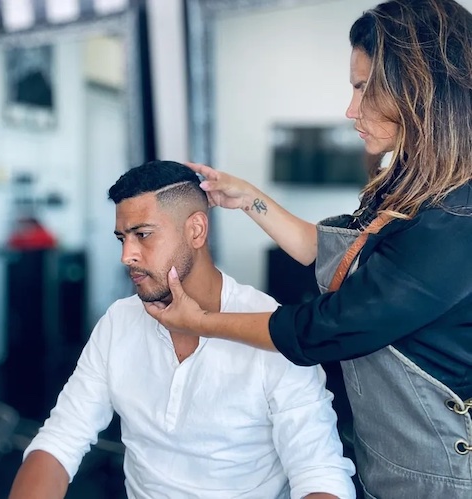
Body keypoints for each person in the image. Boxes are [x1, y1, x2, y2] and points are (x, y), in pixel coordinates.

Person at [143, 1, 472, 498]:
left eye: (363, 87)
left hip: (441, 475)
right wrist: (248, 197)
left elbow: (322, 328)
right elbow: (336, 255)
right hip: (384, 463)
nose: (350, 109)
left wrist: (201, 321)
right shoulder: (409, 187)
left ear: (417, 87)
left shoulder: (455, 221)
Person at [8, 161, 356, 499]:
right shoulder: (119, 321)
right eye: (122, 239)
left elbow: (321, 476)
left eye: (143, 235)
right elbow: (59, 440)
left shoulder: (271, 329)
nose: (127, 255)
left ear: (196, 231)